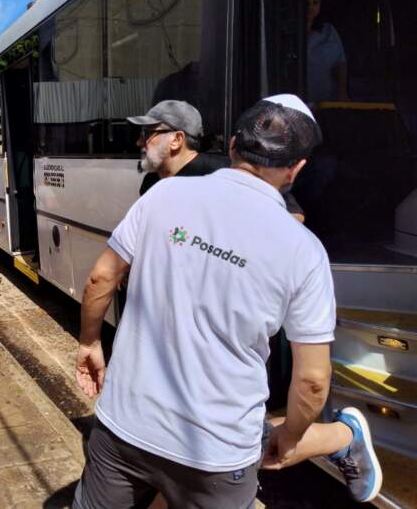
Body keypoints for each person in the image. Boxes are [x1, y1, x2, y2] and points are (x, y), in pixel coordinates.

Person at [74, 95, 381, 508]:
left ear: (233, 145)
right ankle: (342, 437)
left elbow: (101, 277)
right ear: (297, 168)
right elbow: (312, 380)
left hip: (122, 431)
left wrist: (89, 342)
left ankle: (343, 437)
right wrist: (291, 438)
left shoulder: (163, 196)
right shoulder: (305, 251)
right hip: (217, 459)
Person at [133, 100, 305, 222]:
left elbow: (294, 216)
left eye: (147, 134)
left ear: (176, 140)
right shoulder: (151, 183)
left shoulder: (227, 171)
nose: (139, 143)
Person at [307, 0, 348, 104]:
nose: (311, 7)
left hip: (323, 102)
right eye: (307, 3)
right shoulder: (286, 32)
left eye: (315, 2)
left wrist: (342, 93)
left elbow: (340, 63)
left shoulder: (328, 31)